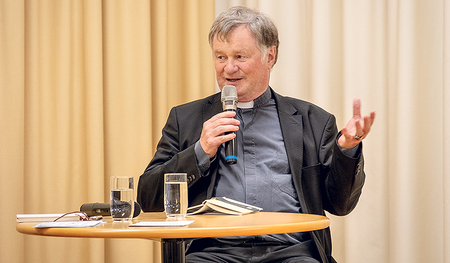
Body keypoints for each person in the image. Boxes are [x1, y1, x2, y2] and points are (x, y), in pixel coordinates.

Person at [137, 6, 375, 263]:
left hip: (290, 251)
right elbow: (148, 199)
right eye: (220, 57)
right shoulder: (186, 119)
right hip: (213, 252)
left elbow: (340, 205)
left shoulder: (312, 120)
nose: (228, 68)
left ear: (269, 56)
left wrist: (347, 149)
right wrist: (200, 151)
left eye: (240, 56)